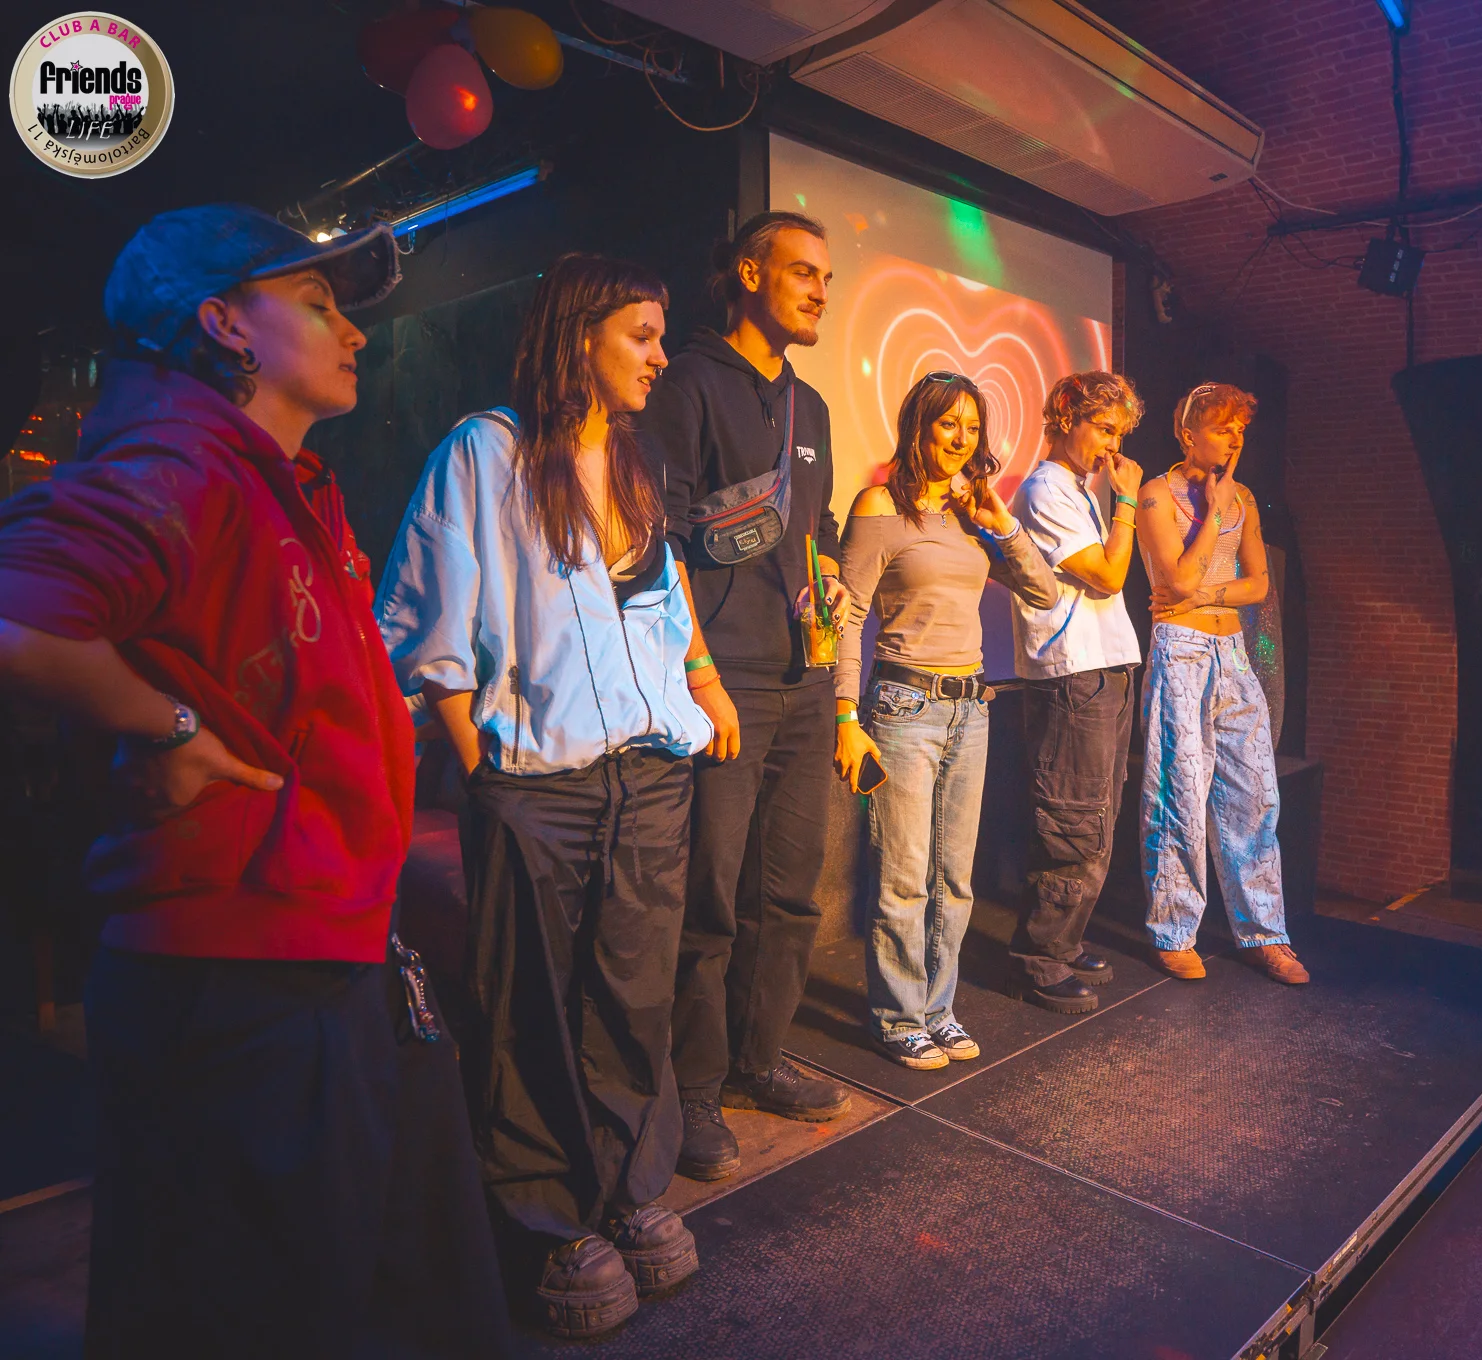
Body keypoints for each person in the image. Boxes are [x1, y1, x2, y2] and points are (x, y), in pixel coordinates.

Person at [0, 205, 511, 1355]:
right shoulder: (185, 464)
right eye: (318, 304)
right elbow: (17, 615)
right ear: (225, 323)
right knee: (255, 1311)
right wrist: (167, 725)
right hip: (238, 978)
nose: (356, 331)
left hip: (314, 950)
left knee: (341, 1292)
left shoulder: (280, 482)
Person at [378, 254, 710, 1339]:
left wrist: (696, 694)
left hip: (647, 775)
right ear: (580, 336)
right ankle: (547, 1219)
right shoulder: (487, 450)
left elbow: (661, 605)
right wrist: (479, 764)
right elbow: (424, 619)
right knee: (531, 1006)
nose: (659, 357)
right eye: (641, 335)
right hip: (536, 783)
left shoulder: (638, 461)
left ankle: (626, 1189)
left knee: (633, 996)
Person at [637, 211, 854, 1182]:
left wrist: (829, 589)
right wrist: (702, 675)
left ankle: (757, 1061)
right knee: (711, 897)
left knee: (789, 891)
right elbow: (662, 539)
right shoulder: (687, 382)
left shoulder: (812, 405)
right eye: (804, 272)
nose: (820, 292)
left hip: (805, 677)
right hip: (725, 682)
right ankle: (692, 1087)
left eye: (827, 277)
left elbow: (815, 533)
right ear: (750, 273)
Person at [833, 372, 1058, 1067]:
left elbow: (1044, 591)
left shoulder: (970, 517)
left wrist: (1000, 522)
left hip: (972, 707)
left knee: (955, 881)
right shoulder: (879, 506)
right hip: (903, 707)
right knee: (902, 876)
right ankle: (899, 1016)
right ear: (919, 427)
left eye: (972, 426)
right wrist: (845, 714)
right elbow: (849, 616)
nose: (962, 439)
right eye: (948, 423)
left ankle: (939, 1009)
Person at [1133, 382, 1308, 986]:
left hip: (1232, 652)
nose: (1235, 438)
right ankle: (1173, 932)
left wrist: (1204, 593)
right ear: (1189, 433)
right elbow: (1177, 581)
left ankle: (1265, 934)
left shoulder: (1245, 498)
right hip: (1180, 651)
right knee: (1178, 793)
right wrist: (1213, 510)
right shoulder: (1155, 494)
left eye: (1240, 429)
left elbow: (1258, 585)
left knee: (1254, 794)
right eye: (1222, 427)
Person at [1003, 371, 1148, 1014]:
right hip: (1072, 674)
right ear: (1066, 417)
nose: (1113, 445)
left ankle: (1063, 941)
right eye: (1104, 428)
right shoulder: (1045, 490)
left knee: (1098, 818)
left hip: (1105, 667)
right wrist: (1128, 503)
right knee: (1071, 821)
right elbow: (1109, 575)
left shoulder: (1078, 490)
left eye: (1121, 433)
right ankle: (1038, 959)